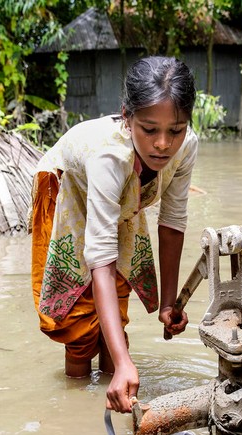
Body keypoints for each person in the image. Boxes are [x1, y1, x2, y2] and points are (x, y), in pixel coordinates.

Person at [30, 56, 198, 414]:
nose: (163, 145)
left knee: (120, 289)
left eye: (176, 130)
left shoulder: (186, 147)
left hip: (125, 193)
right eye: (149, 129)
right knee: (75, 315)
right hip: (68, 184)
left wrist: (169, 304)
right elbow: (100, 258)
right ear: (127, 117)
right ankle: (76, 400)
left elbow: (172, 220)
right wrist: (127, 364)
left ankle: (114, 372)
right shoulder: (109, 156)